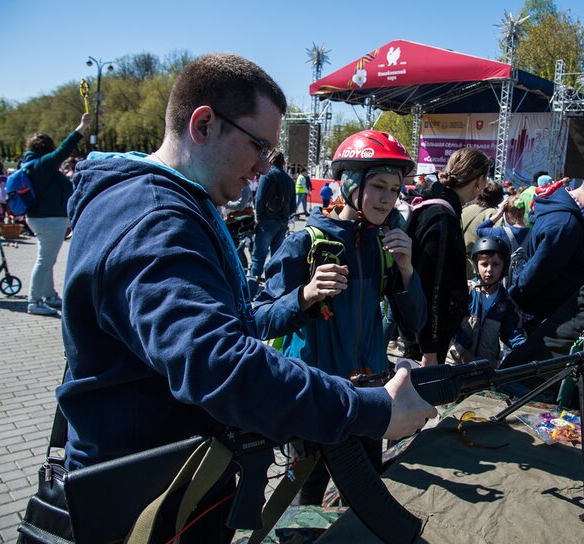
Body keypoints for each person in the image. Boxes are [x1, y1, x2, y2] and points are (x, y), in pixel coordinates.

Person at [57, 54, 436, 540]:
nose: (263, 167)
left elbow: (230, 332)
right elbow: (219, 360)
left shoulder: (169, 206)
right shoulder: (155, 220)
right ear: (204, 123)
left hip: (171, 479)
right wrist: (369, 410)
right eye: (258, 145)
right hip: (151, 495)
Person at [254, 129, 427, 505]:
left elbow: (415, 324)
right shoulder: (306, 241)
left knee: (364, 500)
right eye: (379, 185)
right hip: (315, 398)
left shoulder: (387, 244)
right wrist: (306, 295)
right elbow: (260, 319)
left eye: (395, 190)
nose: (387, 199)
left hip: (370, 397)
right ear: (350, 183)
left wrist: (408, 270)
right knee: (305, 503)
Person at [510, 163, 584, 329]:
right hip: (546, 319)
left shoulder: (575, 215)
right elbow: (538, 272)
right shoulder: (565, 225)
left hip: (557, 314)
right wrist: (513, 300)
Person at [404, 147, 490, 366]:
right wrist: (429, 348)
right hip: (426, 338)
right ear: (479, 181)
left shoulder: (437, 202)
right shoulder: (442, 215)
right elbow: (432, 287)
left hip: (418, 328)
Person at [22, 112, 92, 316]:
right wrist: (81, 128)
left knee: (47, 259)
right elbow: (63, 151)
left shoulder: (33, 165)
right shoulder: (41, 165)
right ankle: (34, 301)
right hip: (48, 219)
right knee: (45, 261)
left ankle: (49, 295)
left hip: (43, 218)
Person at [447, 236, 527, 367]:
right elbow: (450, 325)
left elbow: (511, 332)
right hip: (454, 364)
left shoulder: (506, 302)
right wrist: (463, 352)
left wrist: (524, 347)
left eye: (495, 264)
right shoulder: (464, 292)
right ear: (475, 265)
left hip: (484, 369)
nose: (489, 270)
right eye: (484, 264)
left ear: (504, 267)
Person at [248, 152, 296, 297]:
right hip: (282, 222)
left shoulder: (267, 176)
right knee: (276, 259)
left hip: (266, 222)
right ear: (283, 163)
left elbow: (260, 198)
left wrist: (258, 217)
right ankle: (272, 292)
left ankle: (250, 293)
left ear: (271, 161)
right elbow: (293, 205)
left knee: (258, 259)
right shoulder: (289, 180)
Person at [462, 181, 504, 279]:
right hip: (479, 266)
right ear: (499, 199)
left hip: (459, 260)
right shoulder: (494, 214)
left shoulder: (465, 209)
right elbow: (496, 242)